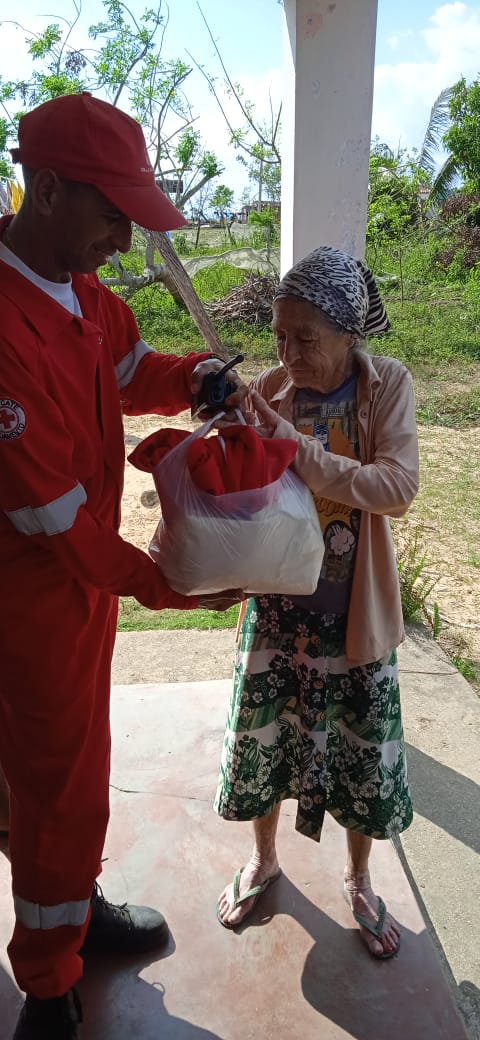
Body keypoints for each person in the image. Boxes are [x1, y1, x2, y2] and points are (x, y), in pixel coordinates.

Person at [0, 92, 245, 1040]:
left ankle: (71, 904)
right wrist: (166, 583)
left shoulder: (86, 295)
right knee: (57, 781)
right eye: (114, 215)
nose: (125, 238)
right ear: (48, 190)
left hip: (80, 585)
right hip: (35, 597)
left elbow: (135, 369)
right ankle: (49, 983)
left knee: (59, 770)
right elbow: (56, 518)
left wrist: (198, 378)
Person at [215, 246, 420, 960]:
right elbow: (245, 480)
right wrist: (229, 433)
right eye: (279, 335)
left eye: (305, 338)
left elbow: (397, 487)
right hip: (278, 607)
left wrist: (298, 450)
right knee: (267, 738)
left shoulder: (386, 384)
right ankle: (263, 858)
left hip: (351, 609)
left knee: (361, 751)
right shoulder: (273, 387)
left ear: (348, 333)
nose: (288, 353)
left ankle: (359, 877)